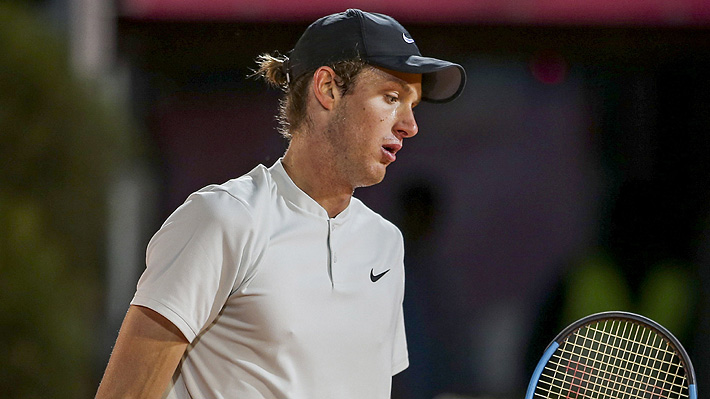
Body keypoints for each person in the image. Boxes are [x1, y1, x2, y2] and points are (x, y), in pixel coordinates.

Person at [95, 8, 465, 399]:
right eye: (391, 98)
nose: (409, 125)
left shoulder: (386, 243)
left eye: (413, 106)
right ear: (328, 89)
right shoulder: (222, 219)